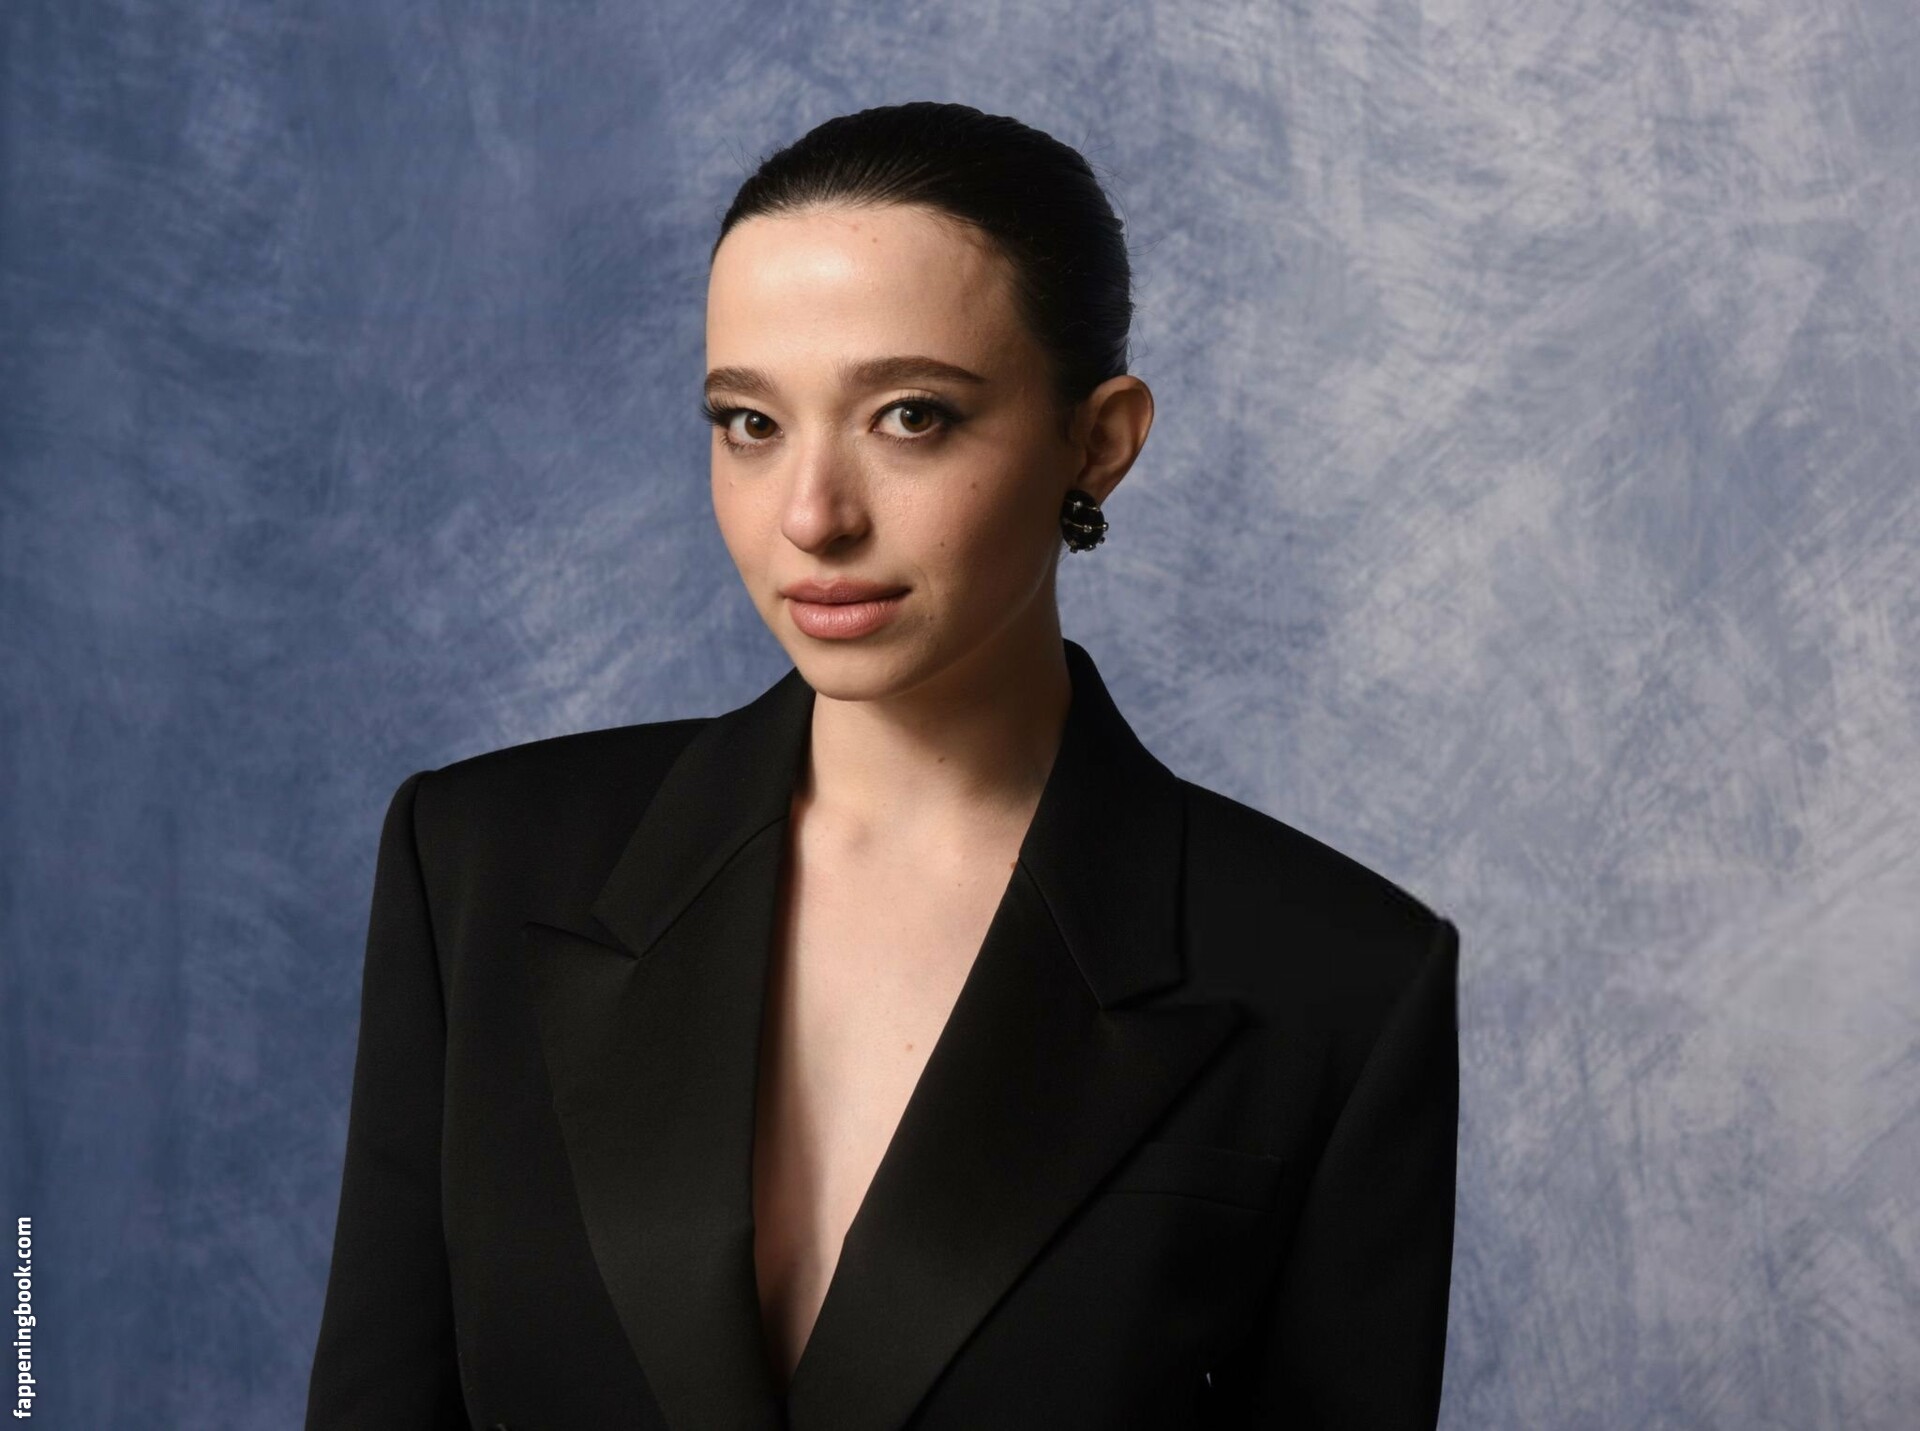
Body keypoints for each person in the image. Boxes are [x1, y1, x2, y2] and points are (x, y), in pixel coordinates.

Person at [304, 101, 1460, 1430]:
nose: (812, 516)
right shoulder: (479, 866)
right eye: (750, 423)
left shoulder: (1337, 980)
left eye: (911, 416)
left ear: (1100, 442)